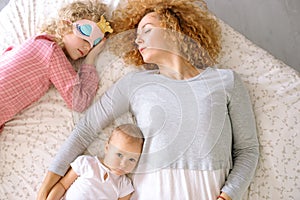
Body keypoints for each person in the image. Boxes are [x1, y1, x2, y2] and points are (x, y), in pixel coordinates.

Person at [38, 0, 259, 200]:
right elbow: (86, 129)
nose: (137, 39)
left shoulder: (225, 81)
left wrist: (228, 197)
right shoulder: (135, 83)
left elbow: (247, 150)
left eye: (147, 29)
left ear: (174, 29)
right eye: (136, 34)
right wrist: (45, 190)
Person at [0, 0, 113, 133]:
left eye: (93, 45)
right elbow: (78, 101)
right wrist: (91, 59)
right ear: (64, 25)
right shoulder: (52, 52)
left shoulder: (37, 41)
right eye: (84, 38)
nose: (87, 47)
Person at [46, 124, 144, 200]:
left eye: (132, 159)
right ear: (107, 148)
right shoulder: (87, 163)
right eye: (119, 155)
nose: (123, 164)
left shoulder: (124, 185)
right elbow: (62, 185)